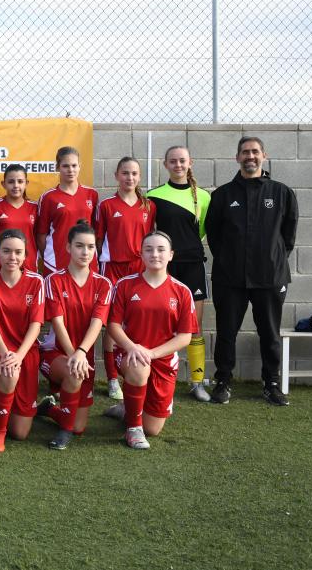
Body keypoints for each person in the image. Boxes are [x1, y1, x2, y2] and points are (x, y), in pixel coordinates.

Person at [205, 136, 298, 406]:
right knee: (226, 333)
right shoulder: (222, 195)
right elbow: (214, 234)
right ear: (237, 158)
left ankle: (271, 384)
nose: (250, 156)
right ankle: (223, 382)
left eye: (255, 152)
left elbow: (288, 236)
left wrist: (272, 259)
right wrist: (227, 259)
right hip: (229, 278)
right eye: (245, 152)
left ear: (263, 156)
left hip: (270, 277)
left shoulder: (281, 193)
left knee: (269, 333)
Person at [103, 231, 198, 449]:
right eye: (149, 249)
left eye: (161, 249)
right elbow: (113, 325)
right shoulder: (126, 285)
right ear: (141, 255)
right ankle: (133, 430)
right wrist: (133, 348)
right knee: (138, 365)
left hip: (163, 360)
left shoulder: (181, 291)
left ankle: (128, 408)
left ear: (171, 255)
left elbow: (185, 336)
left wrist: (152, 353)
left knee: (153, 429)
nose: (155, 254)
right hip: (130, 354)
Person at [37, 220, 113, 450]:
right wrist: (74, 354)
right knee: (73, 372)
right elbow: (57, 323)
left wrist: (81, 353)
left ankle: (49, 408)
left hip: (83, 359)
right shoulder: (53, 280)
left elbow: (97, 323)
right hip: (56, 353)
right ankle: (64, 432)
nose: (86, 252)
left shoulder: (104, 284)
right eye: (80, 246)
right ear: (68, 247)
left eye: (91, 247)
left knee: (80, 426)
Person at [148, 146, 212, 402]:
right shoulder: (153, 196)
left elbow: (202, 232)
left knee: (193, 327)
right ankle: (160, 381)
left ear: (190, 162)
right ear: (165, 165)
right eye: (172, 161)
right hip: (165, 268)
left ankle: (197, 382)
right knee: (163, 329)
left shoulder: (204, 197)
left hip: (193, 266)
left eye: (182, 161)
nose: (178, 165)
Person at [0, 230, 45, 453]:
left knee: (21, 433)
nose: (12, 257)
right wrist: (7, 354)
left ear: (26, 256)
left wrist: (19, 355)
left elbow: (36, 325)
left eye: (18, 252)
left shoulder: (36, 281)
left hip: (26, 353)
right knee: (9, 372)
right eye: (6, 251)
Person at [95, 157, 155, 401]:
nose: (129, 178)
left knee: (136, 321)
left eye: (134, 174)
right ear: (116, 175)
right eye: (125, 173)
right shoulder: (107, 205)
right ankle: (111, 378)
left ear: (139, 177)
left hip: (139, 269)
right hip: (113, 269)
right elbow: (99, 240)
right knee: (111, 324)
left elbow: (150, 240)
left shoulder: (148, 206)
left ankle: (135, 373)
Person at [36, 147, 99, 274]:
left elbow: (95, 230)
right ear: (58, 167)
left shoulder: (91, 194)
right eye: (65, 166)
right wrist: (50, 256)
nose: (71, 170)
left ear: (80, 166)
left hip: (86, 261)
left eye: (74, 165)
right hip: (56, 262)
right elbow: (41, 235)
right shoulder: (48, 197)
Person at [0, 164, 39, 272]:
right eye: (11, 182)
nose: (16, 185)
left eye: (20, 181)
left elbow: (39, 237)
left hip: (28, 266)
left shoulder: (35, 208)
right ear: (3, 184)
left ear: (26, 183)